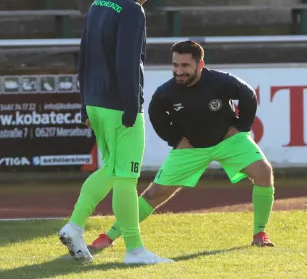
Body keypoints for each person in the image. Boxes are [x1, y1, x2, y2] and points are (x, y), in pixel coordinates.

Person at [87, 40, 276, 254]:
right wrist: (175, 140)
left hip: (228, 142)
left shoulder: (222, 81)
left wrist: (241, 127)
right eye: (175, 65)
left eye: (185, 66)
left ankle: (260, 233)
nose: (179, 71)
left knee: (263, 172)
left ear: (200, 65)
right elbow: (156, 117)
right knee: (153, 194)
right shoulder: (165, 93)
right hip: (190, 149)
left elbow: (249, 96)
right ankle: (108, 236)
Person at [59, 0, 173, 265]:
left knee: (110, 169)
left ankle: (75, 225)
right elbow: (127, 62)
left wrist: (85, 101)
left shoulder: (98, 4)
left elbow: (82, 56)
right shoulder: (133, 10)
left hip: (95, 101)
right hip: (119, 104)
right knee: (126, 177)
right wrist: (132, 104)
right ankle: (135, 250)